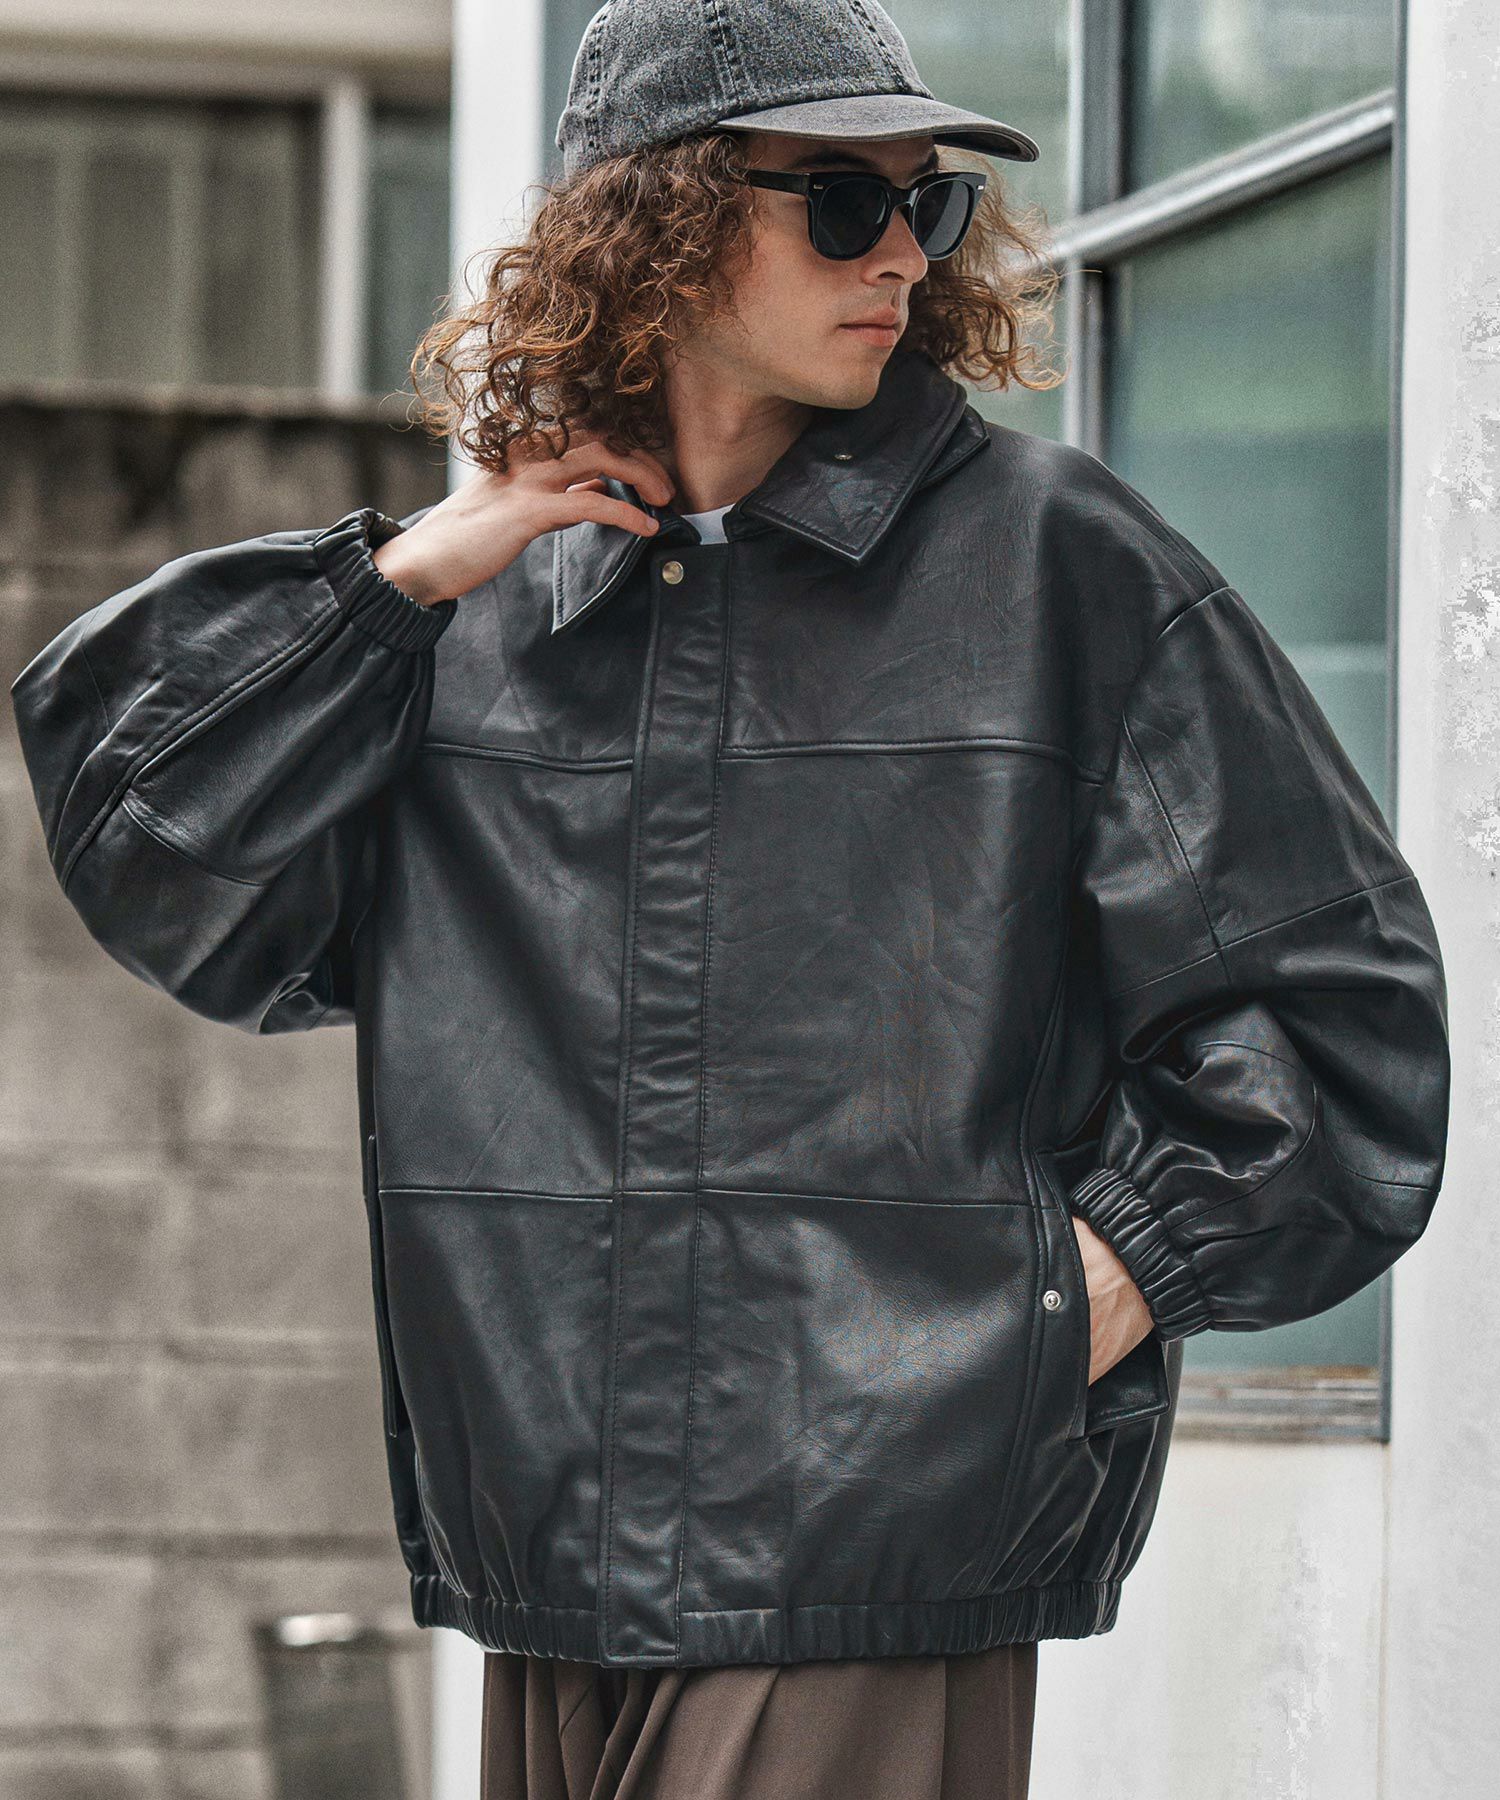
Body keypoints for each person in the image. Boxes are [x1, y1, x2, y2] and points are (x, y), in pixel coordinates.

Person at [8, 1, 1450, 1796]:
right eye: (842, 204)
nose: (901, 257)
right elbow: (157, 850)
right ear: (659, 227)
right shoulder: (480, 617)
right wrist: (401, 578)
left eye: (925, 206)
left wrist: (1073, 1300)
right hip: (550, 1563)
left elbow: (1341, 1017)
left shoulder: (1058, 569)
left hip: (876, 1555)